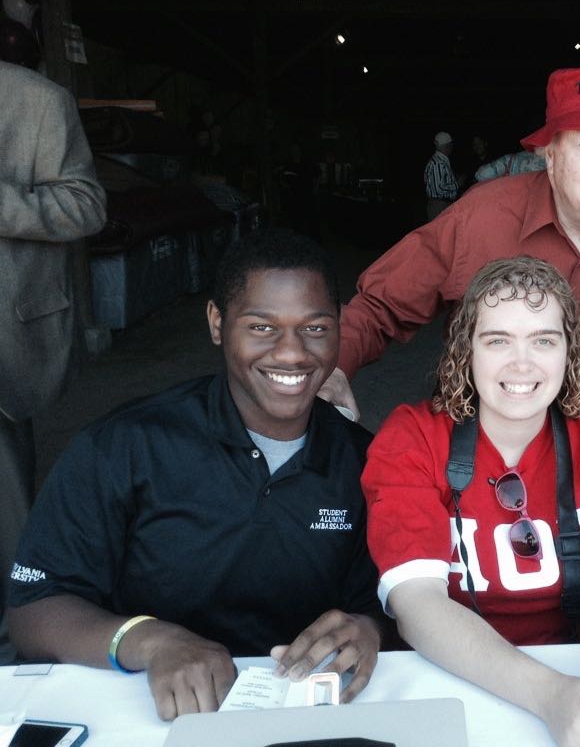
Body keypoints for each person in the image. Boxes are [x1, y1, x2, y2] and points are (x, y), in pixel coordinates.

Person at [6, 232, 385, 720]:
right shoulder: (125, 446)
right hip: (146, 709)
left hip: (303, 709)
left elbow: (387, 601)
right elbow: (34, 607)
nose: (292, 353)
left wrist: (370, 629)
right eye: (262, 327)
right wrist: (150, 640)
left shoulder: (364, 462)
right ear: (217, 324)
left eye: (315, 328)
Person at [362, 257, 580, 747]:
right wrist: (550, 696)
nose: (522, 364)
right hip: (448, 674)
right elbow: (416, 604)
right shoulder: (411, 437)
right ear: (465, 352)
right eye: (497, 340)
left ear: (570, 352)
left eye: (544, 341)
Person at [322, 60, 580, 432]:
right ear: (549, 155)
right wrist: (335, 369)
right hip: (475, 426)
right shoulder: (478, 217)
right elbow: (381, 304)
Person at [0, 60, 107, 664]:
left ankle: (18, 654)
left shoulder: (35, 100)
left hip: (2, 345)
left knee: (7, 520)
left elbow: (85, 205)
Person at [424, 130, 459, 221]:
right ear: (447, 146)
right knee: (441, 234)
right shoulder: (438, 163)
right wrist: (457, 184)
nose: (452, 147)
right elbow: (438, 189)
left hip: (441, 204)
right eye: (450, 145)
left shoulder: (439, 161)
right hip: (439, 205)